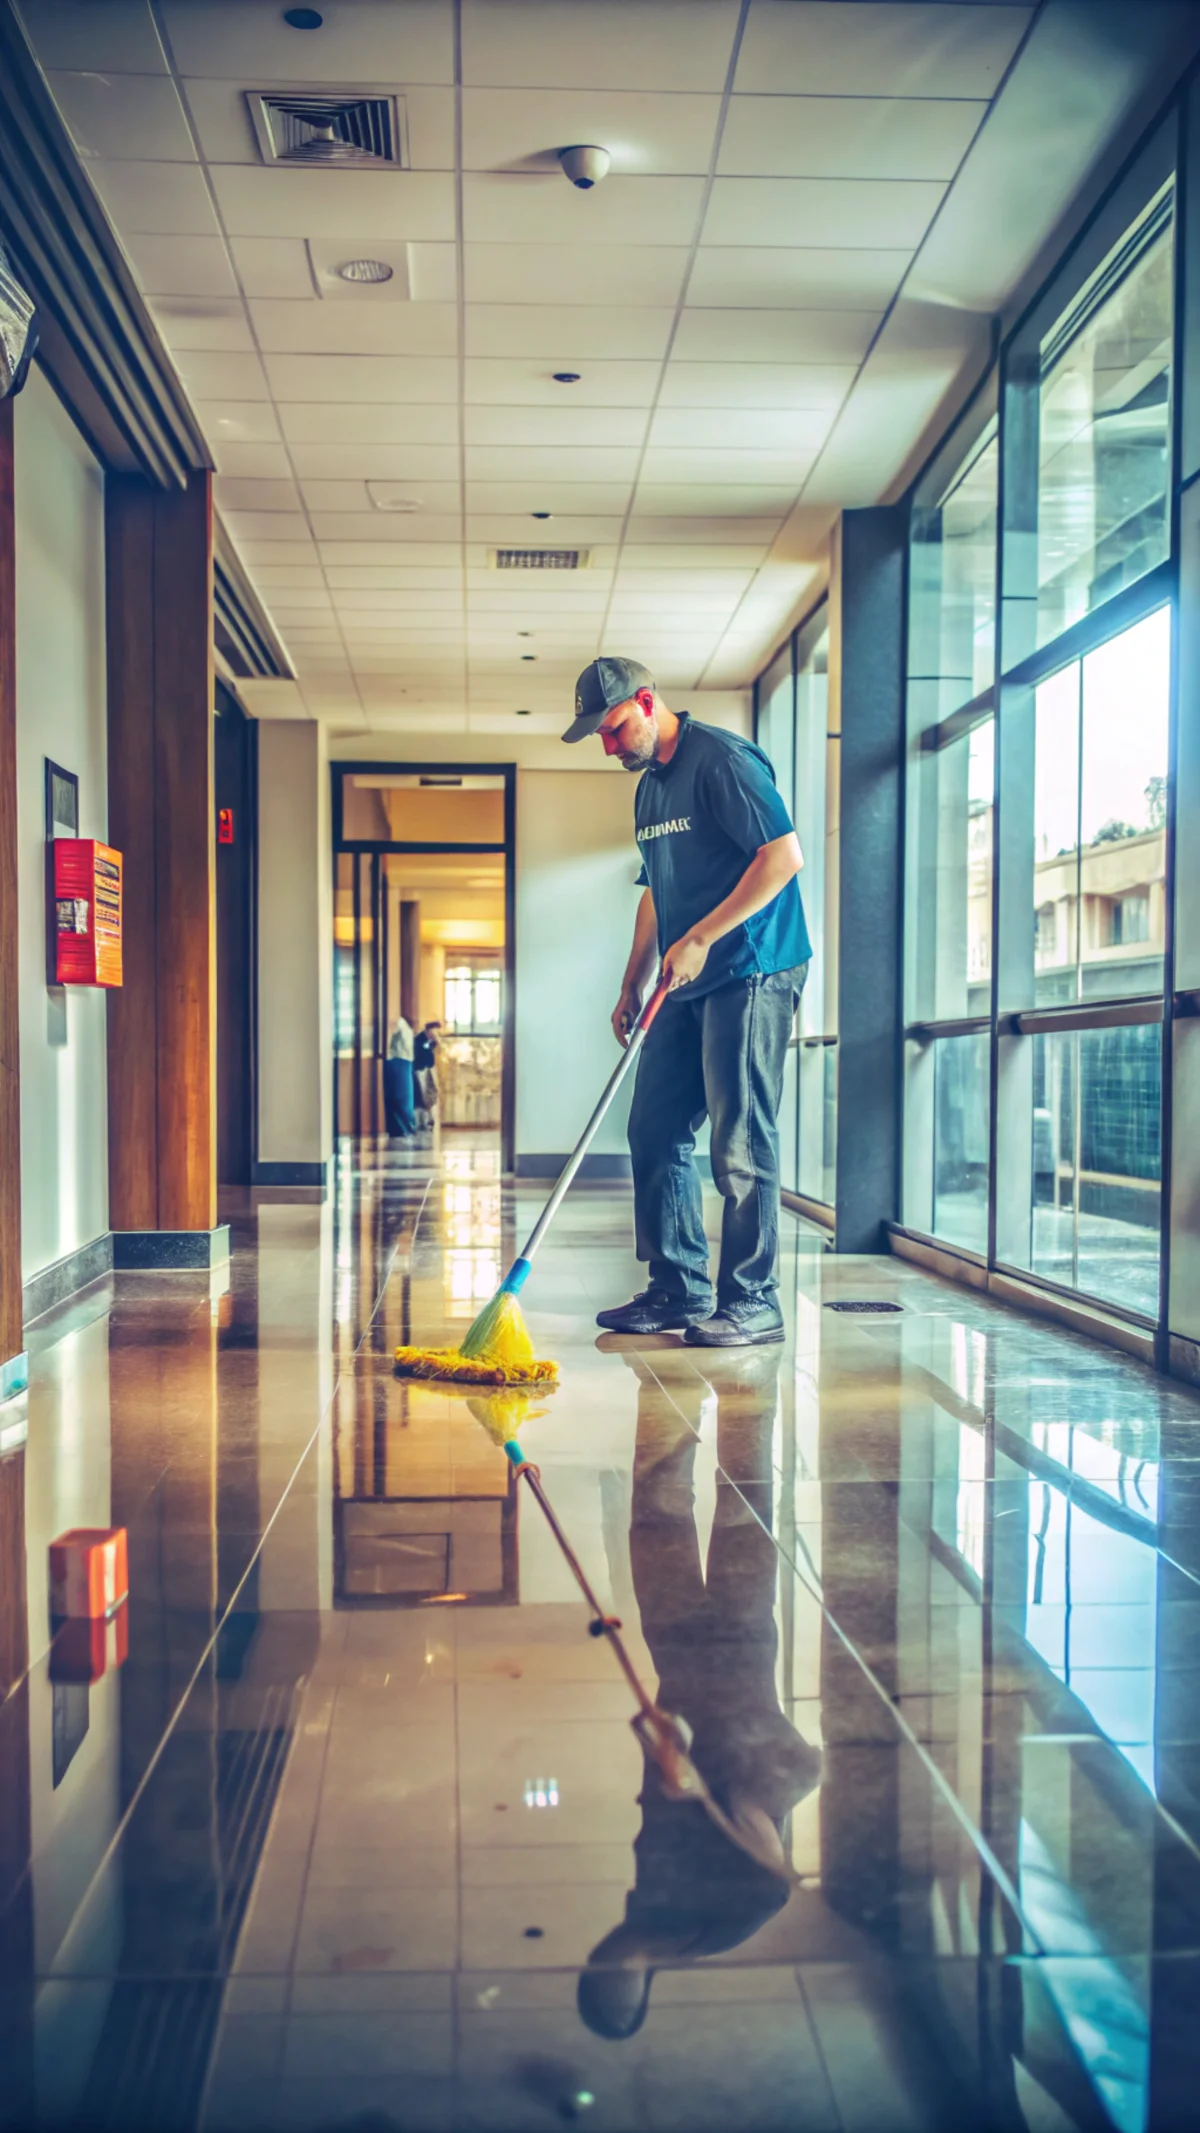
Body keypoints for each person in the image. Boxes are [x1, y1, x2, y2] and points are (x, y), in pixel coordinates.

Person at [562, 656, 811, 1348]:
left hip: (753, 968)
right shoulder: (650, 789)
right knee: (653, 1125)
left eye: (613, 730)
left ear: (646, 702)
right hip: (684, 977)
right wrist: (631, 979)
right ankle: (678, 1286)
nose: (609, 746)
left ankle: (753, 1300)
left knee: (740, 1136)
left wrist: (700, 936)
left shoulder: (721, 760)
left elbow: (783, 857)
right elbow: (655, 889)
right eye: (600, 738)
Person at [576, 1345, 821, 2040]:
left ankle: (666, 1381)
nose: (603, 1963)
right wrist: (702, 1791)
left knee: (654, 1514)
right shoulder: (710, 1931)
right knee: (743, 1504)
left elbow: (665, 1813)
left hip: (685, 1681)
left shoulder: (644, 1908)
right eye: (613, 1983)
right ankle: (745, 1386)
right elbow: (772, 1871)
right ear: (638, 1985)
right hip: (737, 1689)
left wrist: (662, 1756)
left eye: (594, 1974)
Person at [383, 1011, 416, 1137]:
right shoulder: (402, 1024)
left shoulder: (401, 1024)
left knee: (401, 1096)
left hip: (400, 1061)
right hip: (401, 1061)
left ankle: (403, 1127)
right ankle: (405, 1127)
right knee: (403, 1096)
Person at [413, 1019, 441, 1134]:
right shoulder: (419, 1040)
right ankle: (424, 1121)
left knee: (431, 1092)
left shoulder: (429, 1041)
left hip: (428, 1069)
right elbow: (421, 1053)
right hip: (421, 1070)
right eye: (435, 1031)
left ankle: (429, 1118)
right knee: (423, 1094)